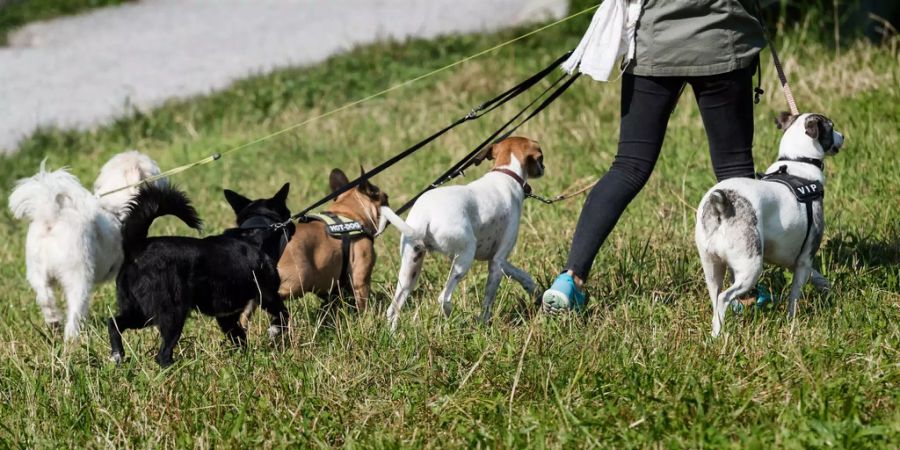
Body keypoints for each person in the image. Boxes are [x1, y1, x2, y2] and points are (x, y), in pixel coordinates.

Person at [542, 0, 767, 312]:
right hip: (721, 44)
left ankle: (570, 279)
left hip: (655, 44)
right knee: (735, 171)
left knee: (628, 166)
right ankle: (746, 291)